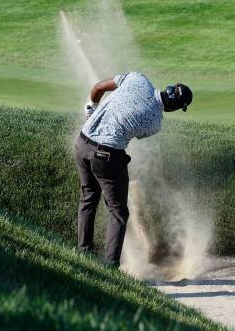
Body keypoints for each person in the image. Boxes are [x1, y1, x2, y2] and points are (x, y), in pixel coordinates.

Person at [75, 72, 193, 267]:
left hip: (81, 143)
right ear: (175, 107)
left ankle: (83, 251)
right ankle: (110, 266)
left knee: (88, 197)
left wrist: (92, 108)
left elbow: (98, 87)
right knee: (118, 211)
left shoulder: (138, 78)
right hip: (106, 155)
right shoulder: (155, 122)